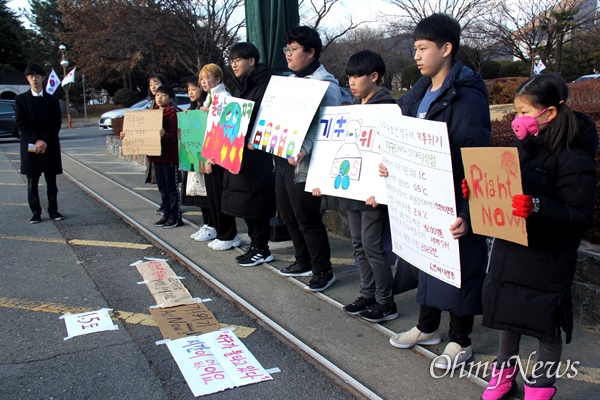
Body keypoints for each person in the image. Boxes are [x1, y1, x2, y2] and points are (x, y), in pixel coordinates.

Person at [474, 74, 597, 400]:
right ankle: (502, 376)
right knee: (508, 317)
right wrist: (477, 192)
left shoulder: (576, 158)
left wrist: (539, 206)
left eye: (524, 111)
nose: (517, 119)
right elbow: (508, 191)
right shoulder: (524, 147)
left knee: (546, 324)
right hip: (512, 250)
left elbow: (580, 215)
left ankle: (540, 388)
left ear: (550, 113)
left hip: (548, 257)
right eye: (516, 111)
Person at [384, 13, 491, 371]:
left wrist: (467, 211)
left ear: (446, 49)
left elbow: (474, 158)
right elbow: (405, 140)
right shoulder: (419, 93)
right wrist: (392, 164)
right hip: (424, 196)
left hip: (454, 198)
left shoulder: (467, 96)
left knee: (459, 268)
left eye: (422, 48)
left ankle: (461, 341)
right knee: (426, 260)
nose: (416, 55)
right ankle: (427, 327)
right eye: (414, 48)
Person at [313, 50, 397, 321]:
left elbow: (391, 153)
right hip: (353, 187)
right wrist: (319, 180)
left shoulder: (386, 108)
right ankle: (368, 294)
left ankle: (386, 302)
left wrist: (381, 189)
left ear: (374, 76)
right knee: (359, 245)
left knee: (372, 247)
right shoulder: (354, 110)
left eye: (356, 76)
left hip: (372, 193)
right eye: (348, 76)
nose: (350, 81)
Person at [276, 26, 341, 291]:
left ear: (311, 52)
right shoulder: (289, 81)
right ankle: (302, 259)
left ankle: (323, 269)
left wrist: (305, 148)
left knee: (307, 217)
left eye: (293, 50)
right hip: (282, 157)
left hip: (304, 162)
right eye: (286, 49)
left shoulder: (324, 85)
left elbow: (325, 126)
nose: (288, 55)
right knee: (288, 214)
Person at [221, 43, 278, 266]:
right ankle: (256, 246)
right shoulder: (240, 86)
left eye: (238, 59)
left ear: (251, 60)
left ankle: (262, 248)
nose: (233, 64)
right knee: (244, 203)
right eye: (231, 60)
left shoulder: (267, 85)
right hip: (238, 152)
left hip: (258, 155)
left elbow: (269, 118)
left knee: (256, 203)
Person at [121, 85, 182, 228]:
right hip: (156, 157)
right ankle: (166, 215)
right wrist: (127, 135)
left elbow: (174, 137)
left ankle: (175, 217)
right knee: (162, 188)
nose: (160, 98)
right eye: (157, 95)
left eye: (164, 96)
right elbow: (140, 132)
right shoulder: (151, 114)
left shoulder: (172, 113)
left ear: (171, 99)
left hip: (169, 157)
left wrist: (164, 134)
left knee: (171, 188)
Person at [197, 64, 241, 251]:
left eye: (208, 78)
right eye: (201, 79)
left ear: (218, 79)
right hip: (211, 155)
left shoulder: (224, 99)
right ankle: (221, 232)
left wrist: (212, 155)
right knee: (213, 196)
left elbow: (224, 131)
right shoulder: (209, 100)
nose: (204, 82)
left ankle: (228, 234)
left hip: (219, 156)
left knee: (221, 196)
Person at [15, 64, 63, 224]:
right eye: (31, 76)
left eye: (37, 75)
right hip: (30, 146)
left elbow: (56, 123)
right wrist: (36, 140)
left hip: (49, 146)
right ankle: (35, 212)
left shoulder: (52, 100)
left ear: (43, 78)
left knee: (52, 182)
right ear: (27, 79)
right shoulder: (21, 100)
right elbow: (21, 124)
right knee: (32, 183)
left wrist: (44, 141)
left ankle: (54, 210)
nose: (34, 79)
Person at [181, 75, 214, 241]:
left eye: (194, 89)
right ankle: (206, 225)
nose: (190, 92)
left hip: (206, 158)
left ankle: (212, 226)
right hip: (195, 159)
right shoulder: (192, 110)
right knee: (199, 194)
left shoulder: (207, 108)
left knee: (207, 195)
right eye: (188, 90)